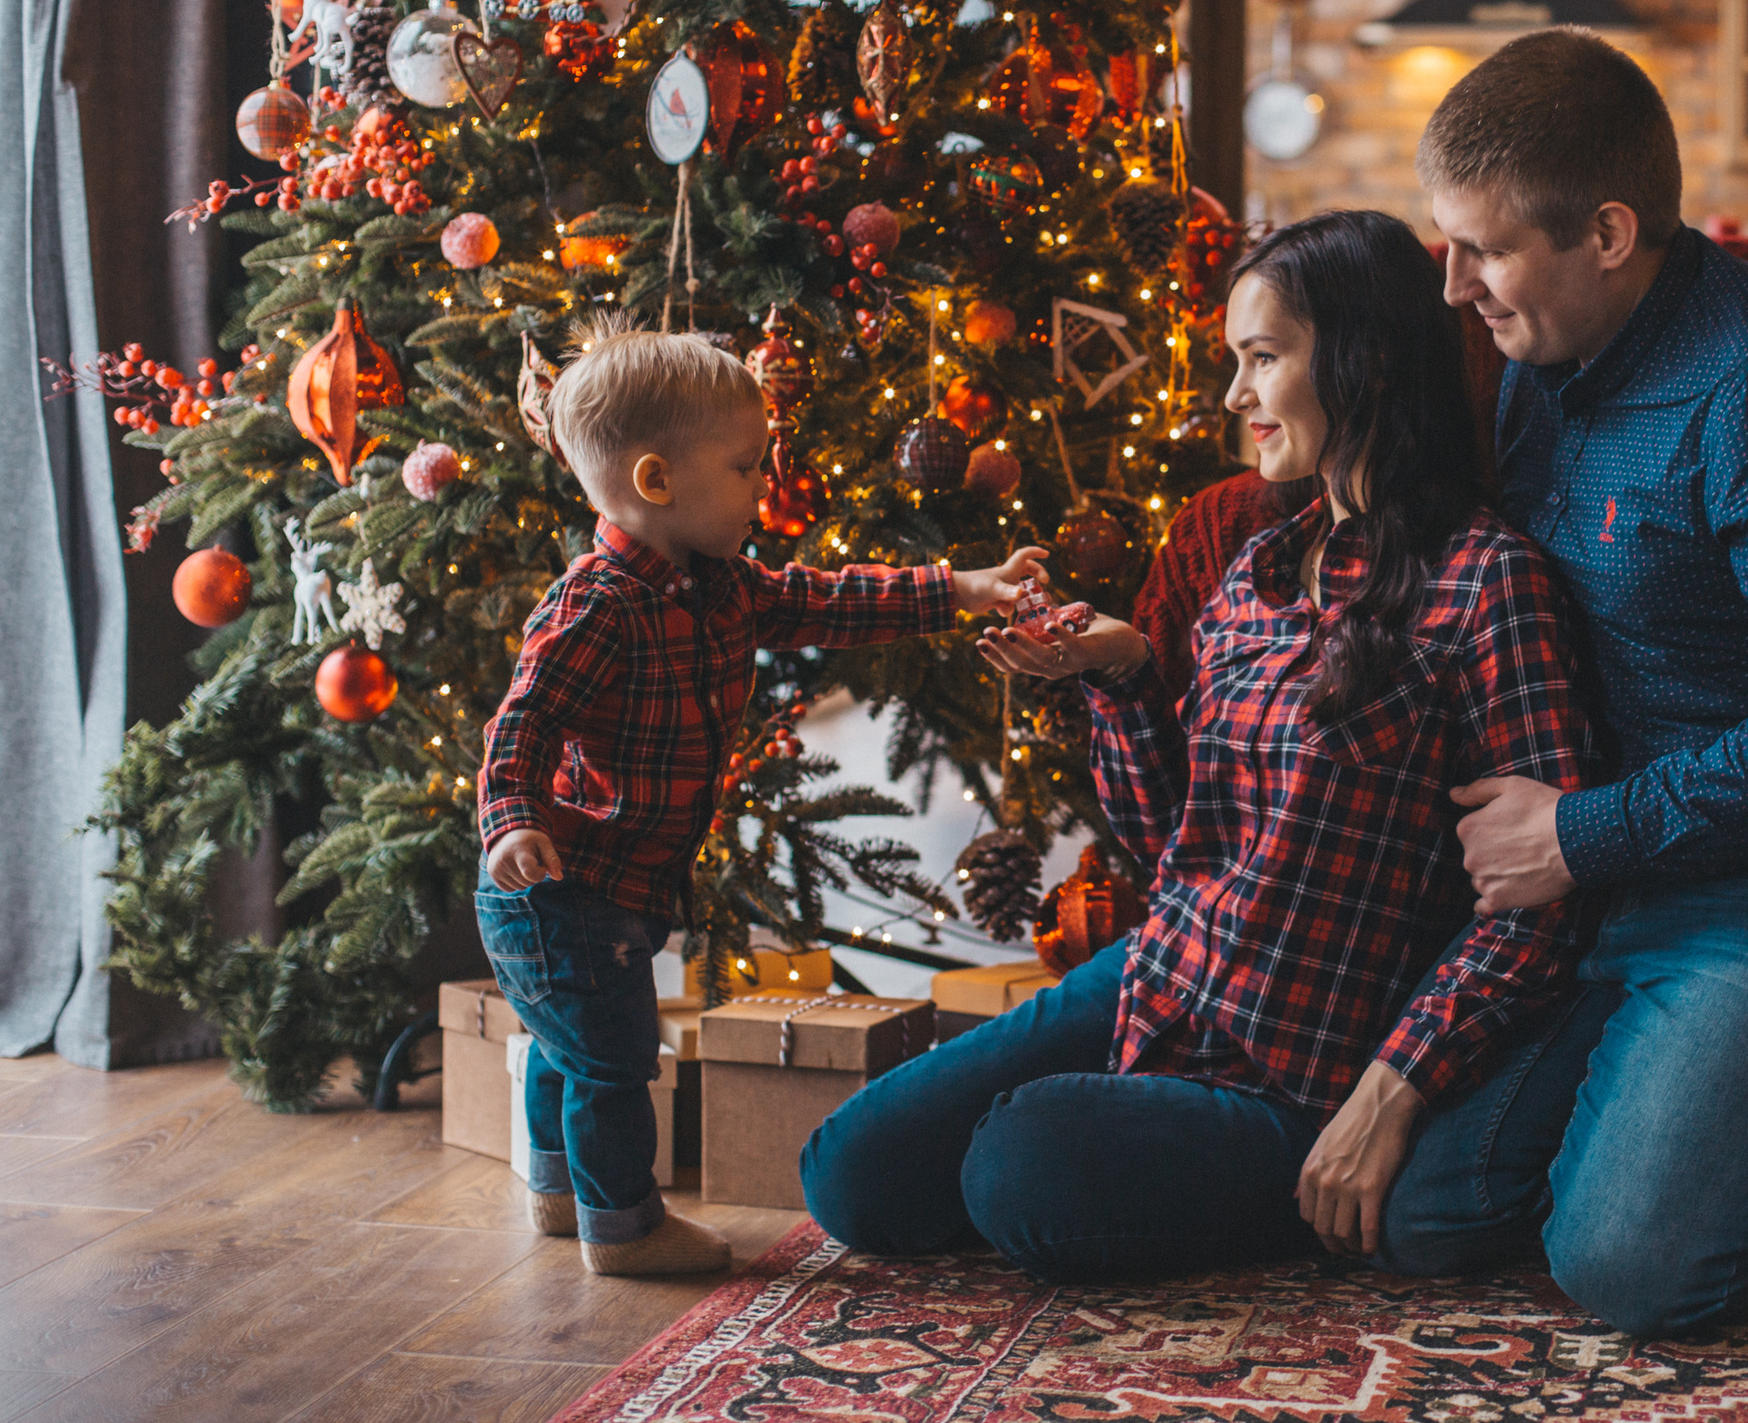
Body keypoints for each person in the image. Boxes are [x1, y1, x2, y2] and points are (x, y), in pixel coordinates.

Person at [798, 210, 1608, 1279]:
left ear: (1364, 362)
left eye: (1262, 358)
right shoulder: (1257, 570)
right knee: (850, 1174)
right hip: (1163, 978)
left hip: (1301, 1068)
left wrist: (1393, 1091)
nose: (1234, 395)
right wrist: (1124, 678)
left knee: (1022, 1165)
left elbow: (1540, 906)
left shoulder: (1490, 583)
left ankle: (1263, 1187)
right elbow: (1175, 844)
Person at [1376, 27, 1748, 1335]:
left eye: (1481, 249)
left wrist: (1579, 835)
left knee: (1634, 1270)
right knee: (1420, 1212)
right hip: (1616, 875)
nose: (1453, 285)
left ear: (1606, 232)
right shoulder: (1543, 368)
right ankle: (1721, 1091)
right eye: (1445, 243)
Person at [475, 314, 1043, 1276]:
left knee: (564, 1040)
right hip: (559, 887)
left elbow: (835, 599)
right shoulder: (596, 604)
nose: (766, 483)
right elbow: (518, 724)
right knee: (610, 1058)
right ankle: (622, 1227)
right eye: (745, 467)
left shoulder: (724, 585)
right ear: (657, 480)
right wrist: (511, 821)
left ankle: (556, 1192)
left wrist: (962, 588)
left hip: (616, 883)